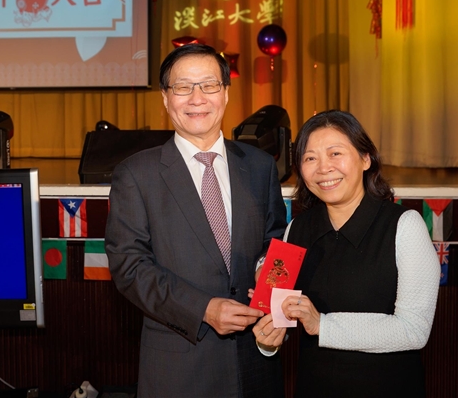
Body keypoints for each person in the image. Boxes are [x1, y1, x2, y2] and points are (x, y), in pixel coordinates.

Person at [105, 44, 286, 398]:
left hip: (257, 362)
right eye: (183, 87)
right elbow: (129, 266)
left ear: (226, 93)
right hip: (181, 369)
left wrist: (270, 286)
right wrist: (203, 309)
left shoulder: (260, 166)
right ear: (165, 98)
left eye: (209, 85)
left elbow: (275, 243)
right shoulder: (136, 174)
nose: (197, 97)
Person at [252, 110, 440, 398]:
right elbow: (282, 323)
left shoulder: (404, 226)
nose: (323, 168)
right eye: (310, 158)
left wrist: (322, 325)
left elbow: (414, 330)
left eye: (335, 153)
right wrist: (268, 341)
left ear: (365, 159)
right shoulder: (297, 230)